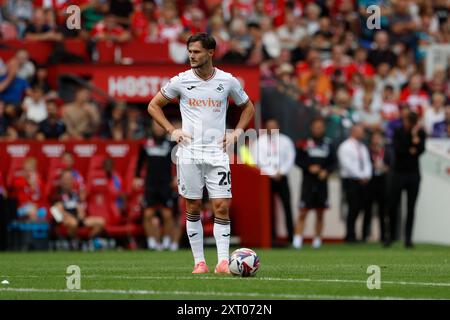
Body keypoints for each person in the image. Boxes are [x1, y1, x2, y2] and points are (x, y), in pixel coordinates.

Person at [147, 33, 255, 274]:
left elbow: (248, 107)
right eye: (190, 51)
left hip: (217, 153)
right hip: (188, 153)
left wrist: (237, 132)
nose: (191, 56)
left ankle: (223, 262)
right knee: (193, 206)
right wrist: (171, 130)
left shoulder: (227, 81)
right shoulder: (181, 81)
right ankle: (199, 263)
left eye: (196, 52)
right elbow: (153, 106)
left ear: (210, 53)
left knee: (221, 206)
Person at [134, 120, 178, 251]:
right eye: (155, 125)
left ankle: (166, 240)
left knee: (167, 215)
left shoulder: (171, 144)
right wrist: (136, 177)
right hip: (150, 185)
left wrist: (177, 177)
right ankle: (152, 241)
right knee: (148, 214)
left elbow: (177, 161)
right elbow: (139, 162)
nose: (158, 128)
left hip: (166, 184)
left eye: (160, 126)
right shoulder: (145, 144)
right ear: (152, 127)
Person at [293, 117, 336, 249]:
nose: (318, 129)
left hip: (322, 183)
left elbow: (334, 162)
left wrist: (326, 171)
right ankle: (297, 239)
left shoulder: (328, 144)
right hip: (308, 182)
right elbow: (298, 160)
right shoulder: (304, 143)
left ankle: (317, 240)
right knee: (303, 211)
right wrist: (308, 167)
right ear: (312, 127)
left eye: (320, 127)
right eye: (316, 127)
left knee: (320, 212)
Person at [385, 112, 426, 248]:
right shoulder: (398, 131)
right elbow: (399, 150)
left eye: (408, 121)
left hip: (413, 175)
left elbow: (420, 150)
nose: (405, 123)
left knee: (411, 207)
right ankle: (390, 237)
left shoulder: (420, 133)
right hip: (398, 174)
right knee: (392, 206)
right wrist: (411, 147)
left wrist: (414, 137)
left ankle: (408, 239)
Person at [252, 119, 296, 245]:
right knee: (268, 207)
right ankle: (271, 236)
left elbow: (290, 157)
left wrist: (281, 172)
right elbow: (258, 160)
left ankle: (291, 237)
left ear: (278, 127)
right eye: (269, 126)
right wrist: (272, 172)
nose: (271, 128)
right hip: (267, 178)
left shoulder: (286, 141)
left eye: (274, 126)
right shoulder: (260, 142)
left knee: (287, 205)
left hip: (282, 177)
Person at [50, 169, 105, 248]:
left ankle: (87, 241)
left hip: (78, 219)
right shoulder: (57, 194)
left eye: (69, 179)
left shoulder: (75, 194)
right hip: (65, 221)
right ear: (61, 180)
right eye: (65, 179)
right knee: (73, 223)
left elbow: (80, 207)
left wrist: (81, 214)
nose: (67, 181)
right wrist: (67, 217)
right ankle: (76, 241)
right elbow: (56, 211)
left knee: (101, 221)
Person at [337, 124, 373, 243]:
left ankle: (364, 235)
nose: (362, 133)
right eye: (360, 131)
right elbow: (347, 164)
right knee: (353, 208)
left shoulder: (363, 147)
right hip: (351, 181)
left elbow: (367, 163)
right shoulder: (345, 146)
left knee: (366, 208)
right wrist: (360, 176)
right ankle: (350, 235)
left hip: (364, 181)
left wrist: (367, 175)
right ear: (353, 131)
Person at [364, 130, 390, 243]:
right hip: (370, 182)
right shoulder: (366, 151)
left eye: (378, 138)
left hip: (382, 183)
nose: (376, 140)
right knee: (367, 210)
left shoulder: (386, 152)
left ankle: (383, 236)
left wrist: (385, 168)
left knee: (382, 211)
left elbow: (391, 165)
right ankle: (365, 235)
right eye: (375, 138)